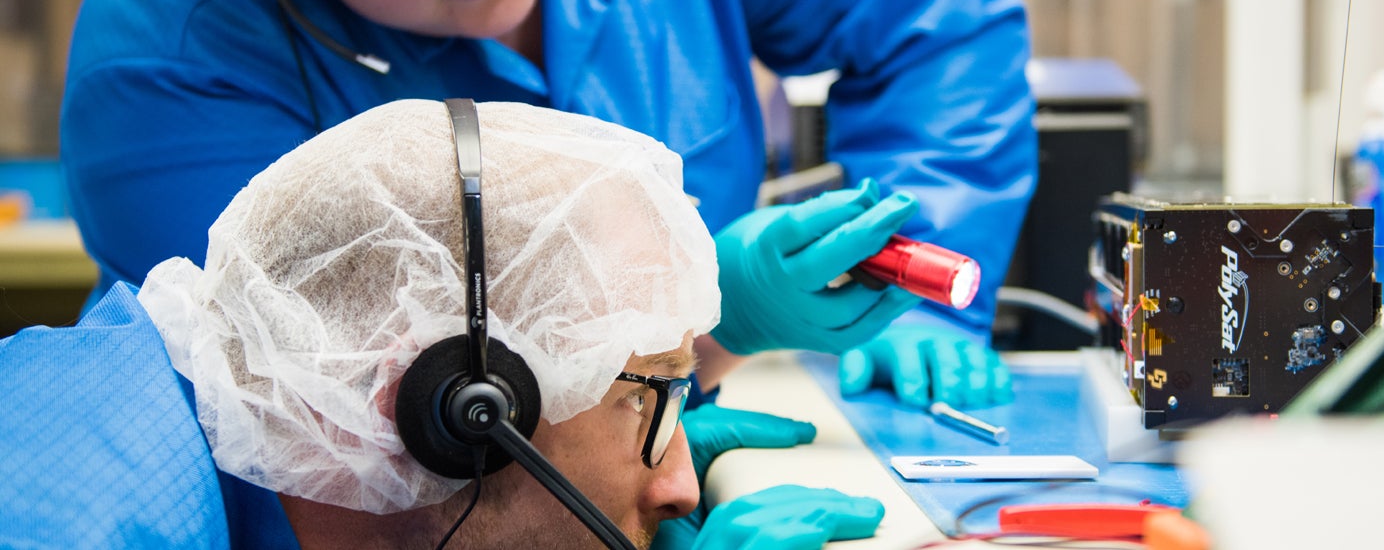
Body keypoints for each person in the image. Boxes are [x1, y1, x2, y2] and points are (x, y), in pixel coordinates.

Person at [61, 0, 1034, 406]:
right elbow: (347, 426)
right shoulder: (171, 59)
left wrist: (922, 266)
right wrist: (703, 321)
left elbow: (936, 16)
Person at [0, 99, 887, 548]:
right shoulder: (81, 520)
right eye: (648, 399)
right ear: (451, 402)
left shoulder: (177, 415)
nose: (682, 491)